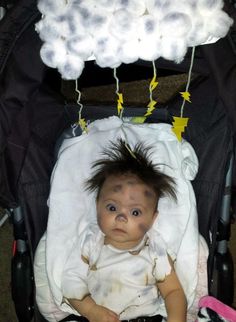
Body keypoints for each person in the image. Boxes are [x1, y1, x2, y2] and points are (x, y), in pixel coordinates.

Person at [61, 139, 187, 322]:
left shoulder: (154, 248)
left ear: (152, 219)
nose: (121, 218)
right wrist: (91, 310)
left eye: (135, 212)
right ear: (97, 206)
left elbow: (173, 291)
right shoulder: (91, 240)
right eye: (112, 208)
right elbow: (71, 280)